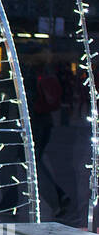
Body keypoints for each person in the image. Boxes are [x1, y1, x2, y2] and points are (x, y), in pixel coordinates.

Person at [28, 56, 70, 217]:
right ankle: (59, 195)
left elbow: (32, 101)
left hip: (38, 124)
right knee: (36, 163)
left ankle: (57, 200)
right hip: (45, 122)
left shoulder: (33, 76)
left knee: (35, 164)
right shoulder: (46, 74)